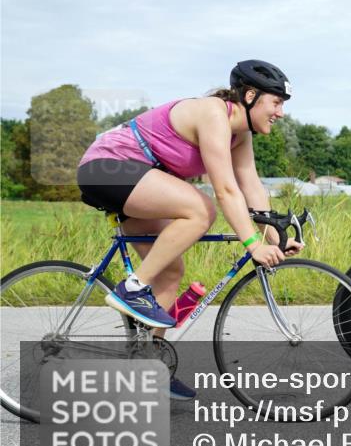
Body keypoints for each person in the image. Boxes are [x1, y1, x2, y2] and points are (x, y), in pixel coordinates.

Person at [75, 60, 303, 398]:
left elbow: (251, 188)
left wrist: (275, 237)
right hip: (108, 169)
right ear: (251, 95)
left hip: (137, 180)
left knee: (169, 273)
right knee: (200, 210)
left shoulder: (240, 136)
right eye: (277, 102)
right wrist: (253, 245)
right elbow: (226, 190)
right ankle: (132, 287)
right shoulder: (214, 114)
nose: (281, 112)